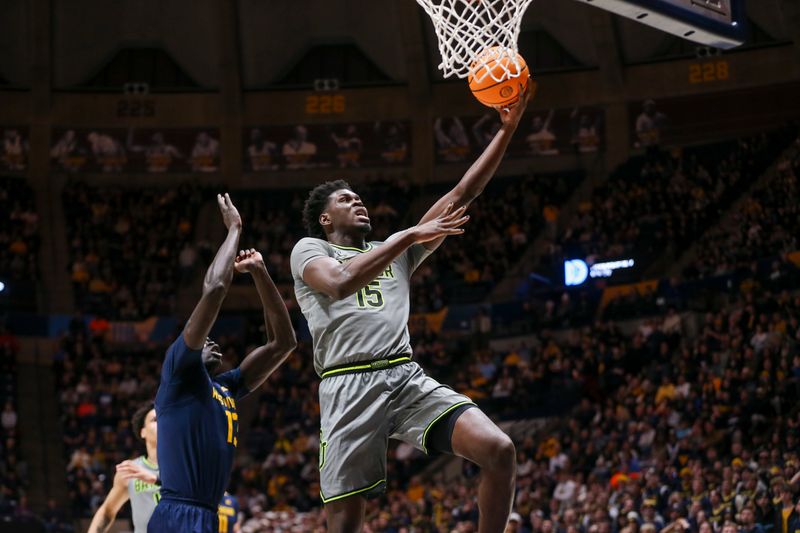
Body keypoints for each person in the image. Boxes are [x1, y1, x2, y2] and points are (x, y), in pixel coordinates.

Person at [290, 81, 531, 533]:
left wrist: (507, 130)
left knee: (499, 450)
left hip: (404, 375)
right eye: (345, 200)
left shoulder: (395, 249)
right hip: (347, 385)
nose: (357, 200)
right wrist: (407, 235)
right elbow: (339, 284)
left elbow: (461, 195)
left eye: (358, 197)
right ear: (326, 220)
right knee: (344, 526)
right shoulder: (309, 249)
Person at [146, 193, 297, 532]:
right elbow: (214, 289)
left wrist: (260, 272)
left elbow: (283, 343)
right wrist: (234, 230)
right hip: (178, 513)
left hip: (207, 515)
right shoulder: (178, 372)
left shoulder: (226, 386)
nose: (213, 341)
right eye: (204, 340)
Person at [88, 403, 160, 533]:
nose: (163, 423)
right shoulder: (131, 470)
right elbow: (107, 511)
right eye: (155, 420)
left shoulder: (187, 465)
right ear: (142, 432)